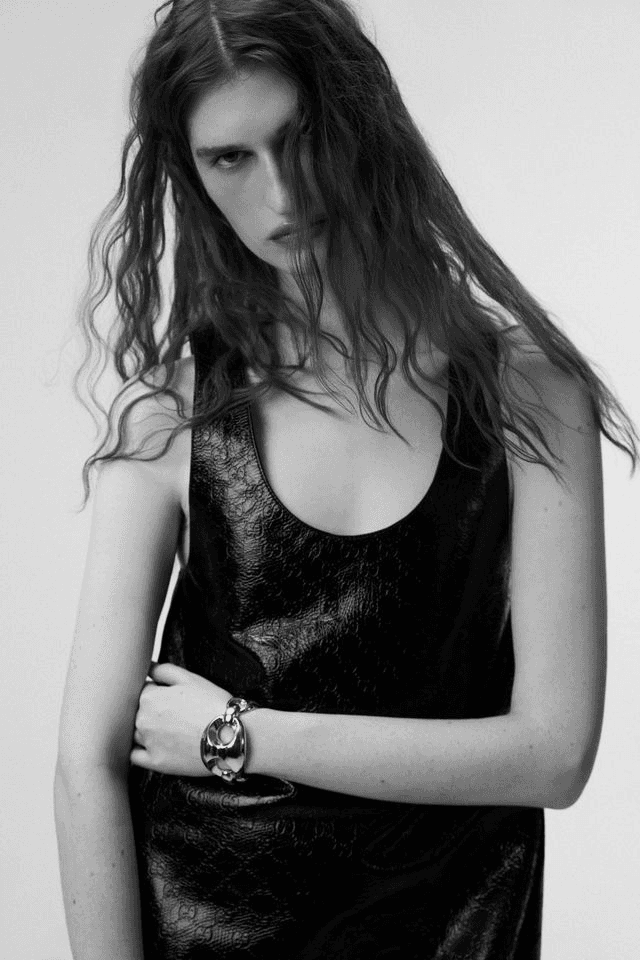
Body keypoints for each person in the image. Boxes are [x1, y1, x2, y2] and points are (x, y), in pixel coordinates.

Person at [53, 1, 637, 958]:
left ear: (362, 119)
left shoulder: (528, 392)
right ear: (191, 177)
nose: (282, 193)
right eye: (230, 158)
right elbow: (86, 766)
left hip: (456, 926)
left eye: (301, 137)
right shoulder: (172, 413)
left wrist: (237, 735)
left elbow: (554, 754)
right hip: (205, 921)